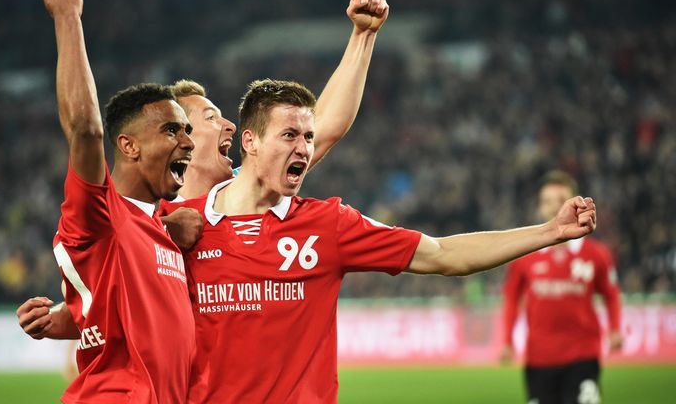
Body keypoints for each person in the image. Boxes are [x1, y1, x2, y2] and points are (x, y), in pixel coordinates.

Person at [169, 79, 599, 402]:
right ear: (251, 142)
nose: (303, 148)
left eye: (308, 138)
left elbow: (444, 254)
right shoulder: (177, 226)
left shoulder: (328, 225)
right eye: (289, 136)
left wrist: (549, 232)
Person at [18, 0, 390, 339]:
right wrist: (54, 320)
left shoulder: (245, 192)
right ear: (180, 139)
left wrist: (362, 37)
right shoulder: (144, 219)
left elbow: (323, 128)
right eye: (211, 118)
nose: (230, 124)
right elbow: (104, 301)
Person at [39, 0, 196, 403]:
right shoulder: (101, 212)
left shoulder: (161, 225)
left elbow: (115, 307)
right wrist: (68, 16)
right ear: (128, 146)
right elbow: (86, 131)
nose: (188, 141)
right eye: (170, 130)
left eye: (188, 130)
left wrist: (61, 317)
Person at [500, 170, 623, 404]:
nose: (554, 207)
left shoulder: (597, 254)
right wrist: (506, 340)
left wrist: (615, 329)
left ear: (575, 203)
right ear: (539, 207)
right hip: (538, 359)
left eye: (560, 200)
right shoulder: (524, 256)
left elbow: (611, 294)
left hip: (583, 356)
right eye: (547, 201)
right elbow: (511, 300)